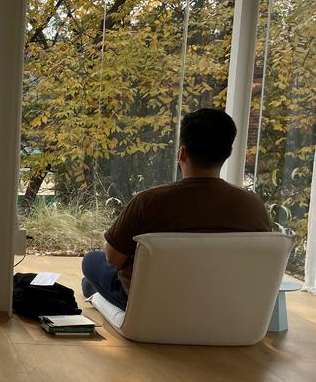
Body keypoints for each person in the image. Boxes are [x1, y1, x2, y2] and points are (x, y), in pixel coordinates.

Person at [82, 108, 272, 310]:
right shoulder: (253, 207)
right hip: (222, 303)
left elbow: (113, 258)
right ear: (228, 153)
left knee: (92, 260)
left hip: (154, 304)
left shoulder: (148, 202)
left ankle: (97, 292)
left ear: (181, 152)